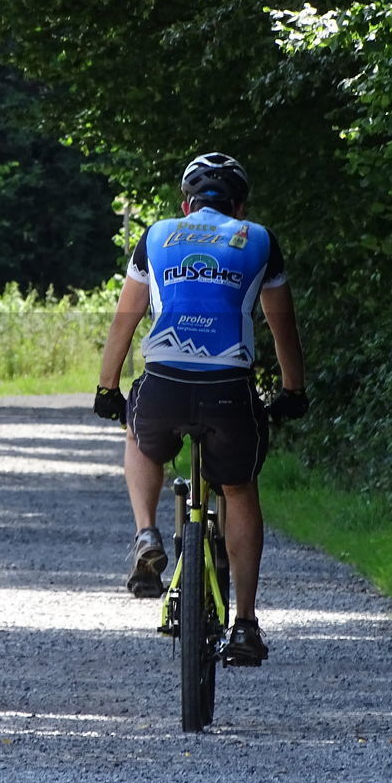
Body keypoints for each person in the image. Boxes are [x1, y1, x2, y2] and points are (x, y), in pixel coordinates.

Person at [93, 151, 308, 666]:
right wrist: (293, 390)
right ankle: (246, 625)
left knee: (137, 431)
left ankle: (145, 532)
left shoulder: (157, 236)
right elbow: (283, 326)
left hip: (164, 381)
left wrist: (107, 389)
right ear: (240, 204)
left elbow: (126, 319)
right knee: (238, 487)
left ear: (185, 203)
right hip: (229, 388)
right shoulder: (257, 239)